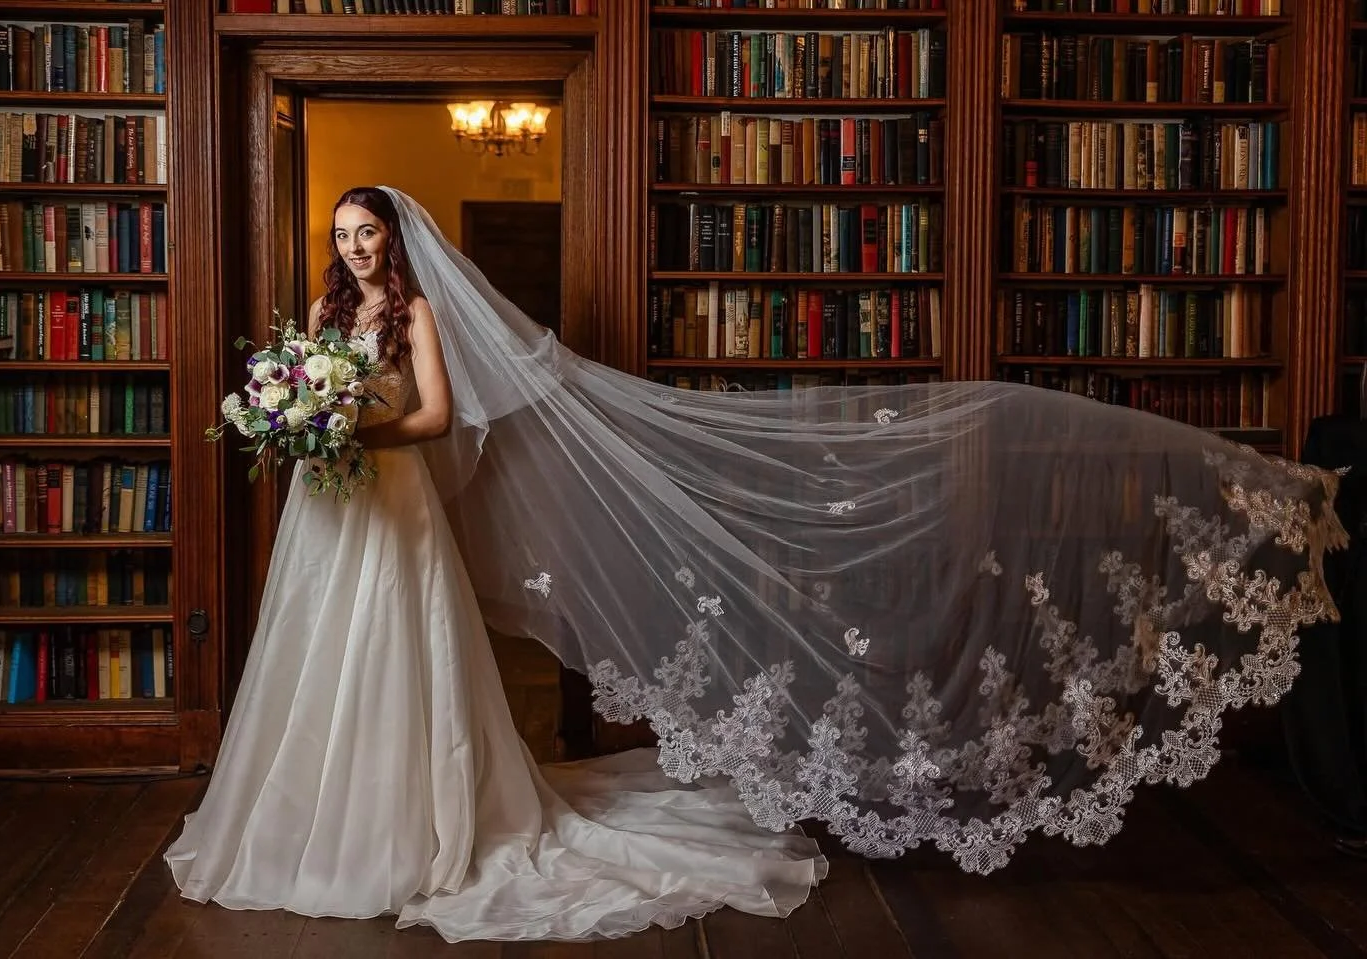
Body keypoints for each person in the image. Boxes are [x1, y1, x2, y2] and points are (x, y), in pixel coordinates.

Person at [165, 186, 1347, 940]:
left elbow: (430, 420)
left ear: (397, 239)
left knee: (399, 662)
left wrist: (342, 425)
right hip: (335, 518)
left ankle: (408, 825)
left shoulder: (416, 316)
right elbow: (326, 398)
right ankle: (312, 812)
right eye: (344, 236)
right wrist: (298, 413)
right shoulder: (324, 321)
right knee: (317, 661)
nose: (356, 247)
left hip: (391, 495)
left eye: (368, 233)